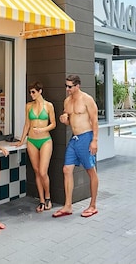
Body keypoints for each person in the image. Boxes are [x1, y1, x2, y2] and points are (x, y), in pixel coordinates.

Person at [52, 74, 99, 219]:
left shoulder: (87, 99)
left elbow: (95, 121)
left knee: (91, 171)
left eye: (70, 86)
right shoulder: (67, 101)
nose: (67, 89)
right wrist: (64, 119)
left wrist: (94, 140)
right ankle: (67, 206)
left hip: (86, 137)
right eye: (66, 86)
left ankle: (93, 205)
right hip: (74, 139)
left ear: (77, 86)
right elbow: (69, 120)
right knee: (66, 169)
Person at [16, 81, 56, 213]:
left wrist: (43, 129)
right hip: (32, 140)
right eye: (30, 92)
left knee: (43, 171)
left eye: (33, 92)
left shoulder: (49, 105)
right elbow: (27, 124)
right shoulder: (28, 106)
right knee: (37, 171)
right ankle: (42, 200)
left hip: (45, 140)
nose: (31, 94)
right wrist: (21, 141)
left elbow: (53, 124)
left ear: (40, 91)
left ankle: (48, 197)